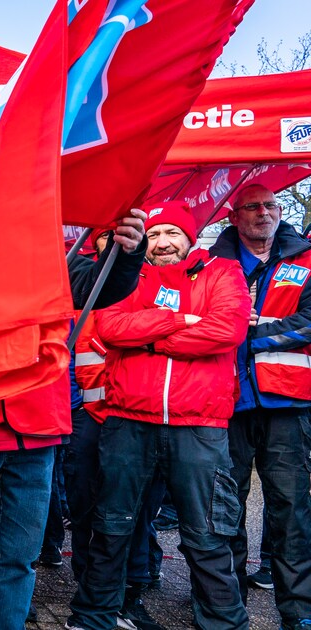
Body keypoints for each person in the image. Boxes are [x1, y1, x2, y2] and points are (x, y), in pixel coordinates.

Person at [0, 208, 147, 630]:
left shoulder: (53, 256)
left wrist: (126, 252)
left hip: (35, 429)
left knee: (17, 559)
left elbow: (98, 287)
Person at [68, 201, 251, 630]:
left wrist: (150, 336)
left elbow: (227, 330)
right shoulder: (128, 275)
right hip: (128, 420)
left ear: (190, 238)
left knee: (206, 533)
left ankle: (223, 621)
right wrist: (182, 320)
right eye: (154, 234)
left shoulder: (221, 271)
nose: (163, 243)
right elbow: (111, 328)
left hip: (199, 425)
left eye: (173, 233)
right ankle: (93, 615)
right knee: (111, 526)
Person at [209, 184, 311, 629]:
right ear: (234, 216)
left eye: (272, 205)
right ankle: (226, 609)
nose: (264, 213)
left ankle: (299, 613)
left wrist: (258, 328)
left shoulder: (306, 259)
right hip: (226, 402)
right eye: (253, 206)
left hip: (287, 403)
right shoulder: (211, 264)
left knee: (291, 511)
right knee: (225, 508)